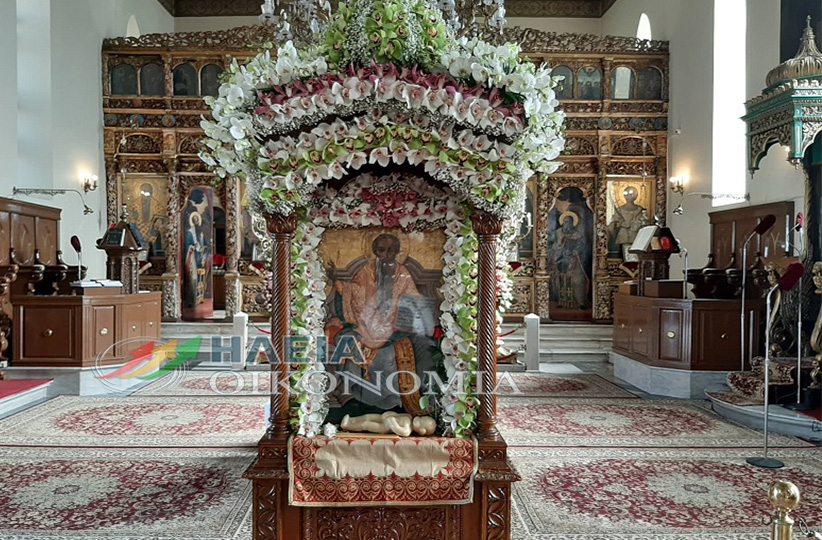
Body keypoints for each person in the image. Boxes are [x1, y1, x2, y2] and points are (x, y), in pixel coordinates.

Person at [325, 234, 437, 419]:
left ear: (397, 252)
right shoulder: (367, 270)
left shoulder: (402, 273)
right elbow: (355, 290)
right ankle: (355, 399)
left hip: (394, 328)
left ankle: (392, 402)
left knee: (388, 355)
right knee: (351, 341)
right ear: (375, 251)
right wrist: (341, 285)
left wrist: (418, 308)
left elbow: (412, 295)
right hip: (366, 323)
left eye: (391, 251)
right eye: (381, 250)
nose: (386, 255)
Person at [607, 186, 648, 261]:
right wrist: (620, 223)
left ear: (636, 195)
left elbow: (643, 221)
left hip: (635, 235)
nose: (629, 196)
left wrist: (635, 223)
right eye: (626, 194)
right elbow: (614, 222)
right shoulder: (620, 210)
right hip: (623, 235)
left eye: (631, 193)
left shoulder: (639, 209)